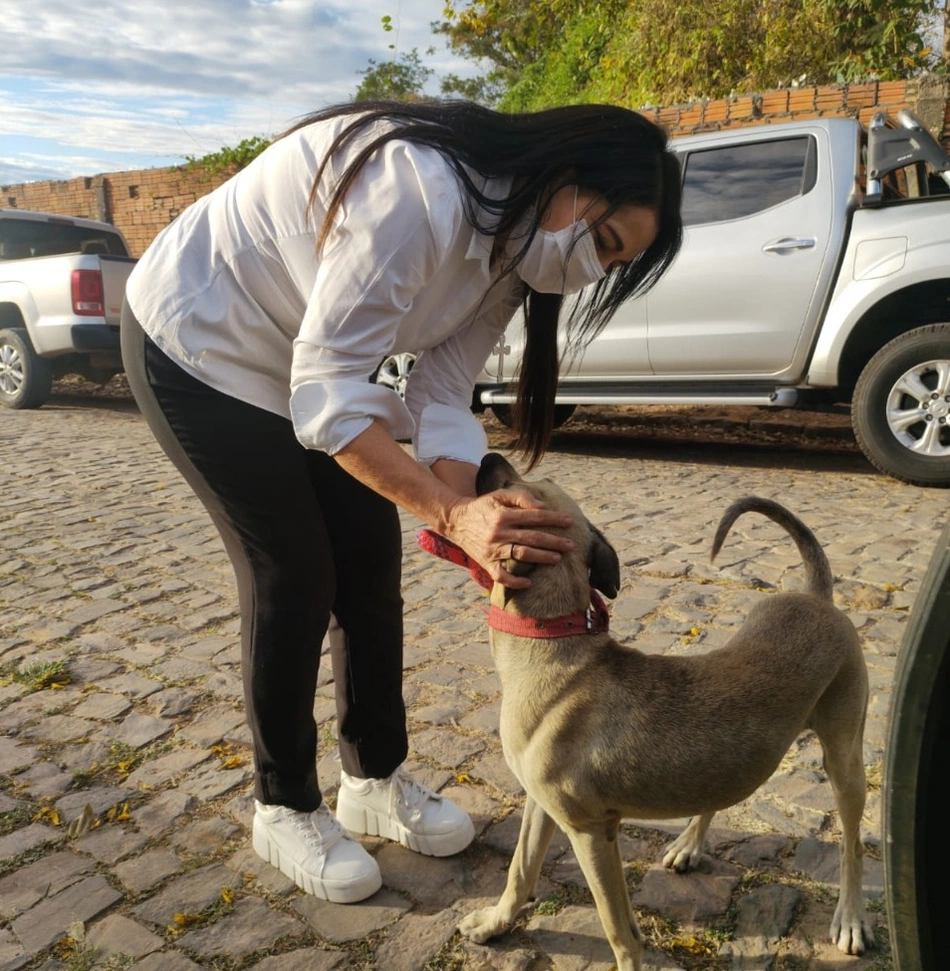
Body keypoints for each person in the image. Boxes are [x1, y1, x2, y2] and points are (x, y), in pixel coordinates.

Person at [120, 98, 683, 904]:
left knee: (370, 569)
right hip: (201, 339)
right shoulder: (420, 190)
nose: (593, 269)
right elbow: (328, 391)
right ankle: (282, 803)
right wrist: (454, 513)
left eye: (614, 264)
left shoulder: (510, 251)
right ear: (566, 176)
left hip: (311, 360)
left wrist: (472, 532)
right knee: (296, 573)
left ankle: (373, 778)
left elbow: (445, 393)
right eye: (601, 240)